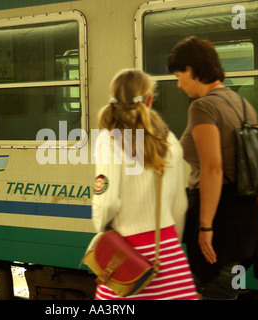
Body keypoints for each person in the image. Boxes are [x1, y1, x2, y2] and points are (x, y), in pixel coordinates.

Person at [166, 36, 258, 299]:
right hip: (247, 218)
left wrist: (206, 227)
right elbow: (256, 167)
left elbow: (212, 168)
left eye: (179, 76)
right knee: (226, 293)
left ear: (190, 69)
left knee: (211, 292)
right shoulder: (244, 105)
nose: (178, 84)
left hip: (219, 220)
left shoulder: (203, 107)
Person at [91, 69, 197, 300]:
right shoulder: (169, 139)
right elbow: (179, 206)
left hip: (126, 262)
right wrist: (169, 245)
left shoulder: (108, 140)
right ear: (149, 100)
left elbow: (107, 201)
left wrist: (101, 232)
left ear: (114, 99)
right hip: (169, 259)